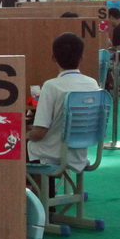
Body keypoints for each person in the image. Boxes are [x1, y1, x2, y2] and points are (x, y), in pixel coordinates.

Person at [27, 34, 105, 171]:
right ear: (82, 58)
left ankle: (37, 185)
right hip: (79, 154)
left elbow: (39, 132)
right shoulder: (92, 84)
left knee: (17, 145)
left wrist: (25, 135)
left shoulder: (50, 86)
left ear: (53, 58)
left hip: (50, 154)